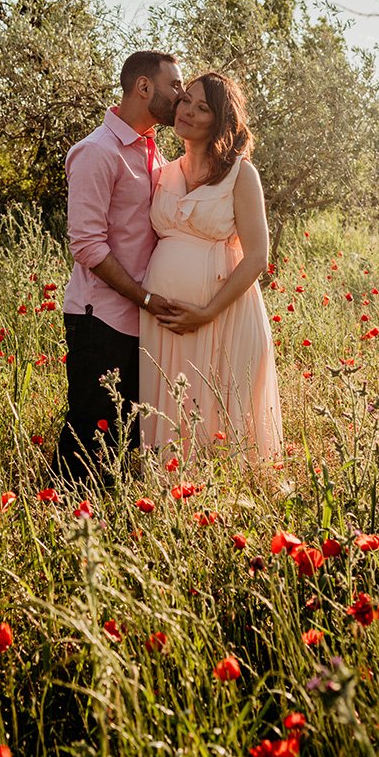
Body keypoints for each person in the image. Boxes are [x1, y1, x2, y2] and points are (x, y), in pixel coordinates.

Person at [56, 51, 185, 483]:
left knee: (123, 442)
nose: (181, 96)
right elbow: (87, 246)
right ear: (143, 87)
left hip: (141, 322)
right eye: (175, 86)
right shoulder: (97, 152)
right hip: (101, 320)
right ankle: (62, 526)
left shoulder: (153, 153)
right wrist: (145, 298)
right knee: (89, 442)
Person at [139, 71, 282, 460]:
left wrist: (205, 311)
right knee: (168, 406)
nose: (187, 111)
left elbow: (257, 257)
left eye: (203, 108)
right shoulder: (163, 172)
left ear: (220, 121)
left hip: (224, 316)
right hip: (163, 319)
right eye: (186, 100)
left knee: (219, 415)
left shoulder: (240, 173)